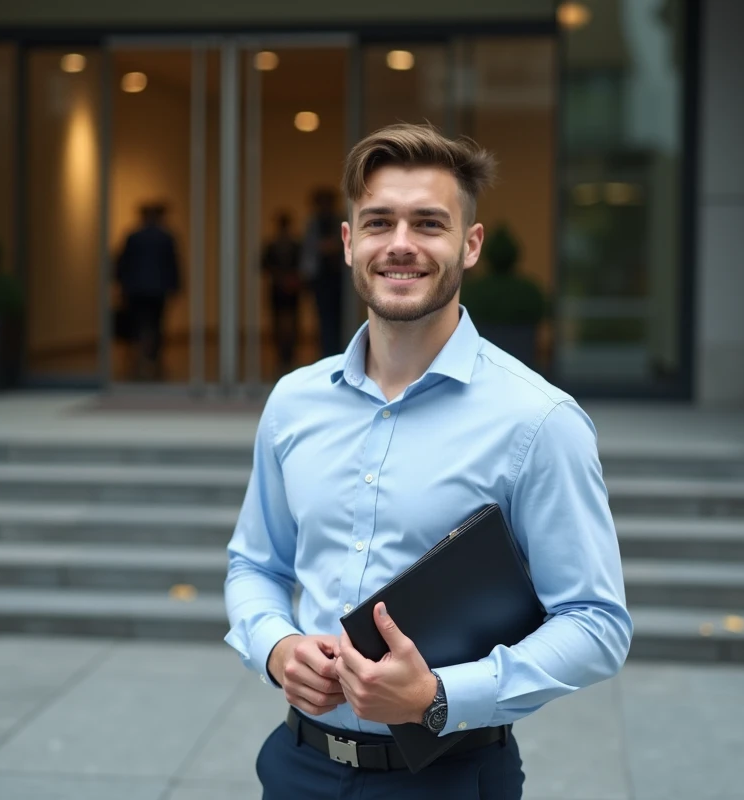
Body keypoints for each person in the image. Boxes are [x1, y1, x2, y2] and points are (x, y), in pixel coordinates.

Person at [224, 123, 632, 799]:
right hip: (297, 768)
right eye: (379, 222)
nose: (402, 245)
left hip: (449, 777)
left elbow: (595, 623)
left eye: (429, 223)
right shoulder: (294, 402)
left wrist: (441, 694)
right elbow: (255, 564)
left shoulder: (540, 421)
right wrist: (275, 647)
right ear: (350, 242)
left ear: (470, 245)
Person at [115, 203, 180, 380]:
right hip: (158, 290)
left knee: (139, 323)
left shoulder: (133, 237)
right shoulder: (166, 238)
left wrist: (121, 285)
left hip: (136, 289)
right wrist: (175, 287)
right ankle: (152, 357)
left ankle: (140, 356)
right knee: (156, 323)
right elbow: (172, 265)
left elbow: (122, 264)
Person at [300, 187, 345, 357]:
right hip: (320, 278)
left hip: (339, 277)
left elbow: (339, 246)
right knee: (323, 317)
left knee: (339, 318)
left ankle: (339, 352)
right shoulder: (313, 224)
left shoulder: (339, 222)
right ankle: (327, 353)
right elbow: (310, 251)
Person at [262, 212, 304, 375]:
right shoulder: (271, 246)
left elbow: (303, 266)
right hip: (277, 288)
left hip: (292, 289)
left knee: (292, 322)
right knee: (278, 323)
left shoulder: (295, 246)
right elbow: (264, 265)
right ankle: (281, 354)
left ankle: (290, 353)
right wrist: (279, 277)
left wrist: (293, 279)